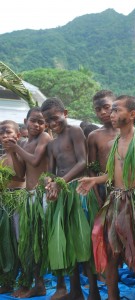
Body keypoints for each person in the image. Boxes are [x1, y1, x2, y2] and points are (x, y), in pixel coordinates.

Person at [77, 95, 135, 300]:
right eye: (111, 110)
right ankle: (113, 295)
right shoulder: (114, 143)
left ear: (132, 114)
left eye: (116, 110)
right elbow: (111, 174)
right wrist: (94, 180)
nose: (112, 114)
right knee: (112, 251)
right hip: (117, 200)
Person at [41, 97, 100, 300]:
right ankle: (75, 291)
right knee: (67, 242)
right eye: (48, 121)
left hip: (79, 191)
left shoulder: (74, 131)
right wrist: (49, 183)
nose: (52, 123)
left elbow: (83, 162)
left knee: (84, 241)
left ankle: (93, 292)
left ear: (65, 113)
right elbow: (50, 171)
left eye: (55, 118)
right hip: (63, 195)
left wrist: (60, 183)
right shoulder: (51, 144)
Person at [3, 107, 51, 298]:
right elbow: (19, 173)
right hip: (28, 197)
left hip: (42, 196)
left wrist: (16, 148)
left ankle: (39, 285)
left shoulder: (44, 138)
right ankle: (29, 282)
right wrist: (12, 152)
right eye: (34, 121)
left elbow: (36, 159)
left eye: (41, 121)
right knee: (26, 242)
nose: (37, 125)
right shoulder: (23, 142)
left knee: (37, 243)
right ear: (25, 121)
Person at [0, 120, 26, 294]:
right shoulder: (1, 158)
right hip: (4, 202)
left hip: (18, 201)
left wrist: (13, 152)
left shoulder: (21, 155)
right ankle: (7, 281)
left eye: (8, 132)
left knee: (20, 242)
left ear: (17, 135)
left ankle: (25, 280)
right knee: (4, 243)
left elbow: (19, 176)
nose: (4, 136)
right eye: (1, 134)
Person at [87, 90, 119, 207]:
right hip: (103, 188)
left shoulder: (129, 132)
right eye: (98, 109)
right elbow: (91, 168)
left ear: (115, 105)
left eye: (106, 107)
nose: (103, 112)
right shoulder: (94, 136)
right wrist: (97, 196)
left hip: (127, 187)